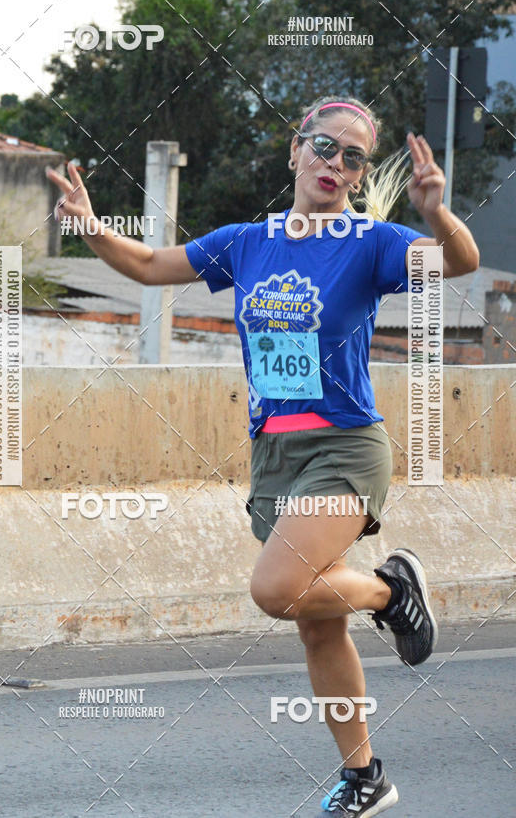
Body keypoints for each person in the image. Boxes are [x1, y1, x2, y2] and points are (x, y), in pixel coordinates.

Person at [46, 96, 479, 816]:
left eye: (353, 156)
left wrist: (437, 212)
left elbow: (458, 263)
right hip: (274, 454)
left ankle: (392, 590)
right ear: (295, 150)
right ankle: (366, 775)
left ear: (361, 172)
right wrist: (91, 226)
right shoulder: (248, 242)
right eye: (323, 146)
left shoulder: (370, 242)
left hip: (345, 445)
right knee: (316, 622)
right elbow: (153, 264)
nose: (335, 164)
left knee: (276, 590)